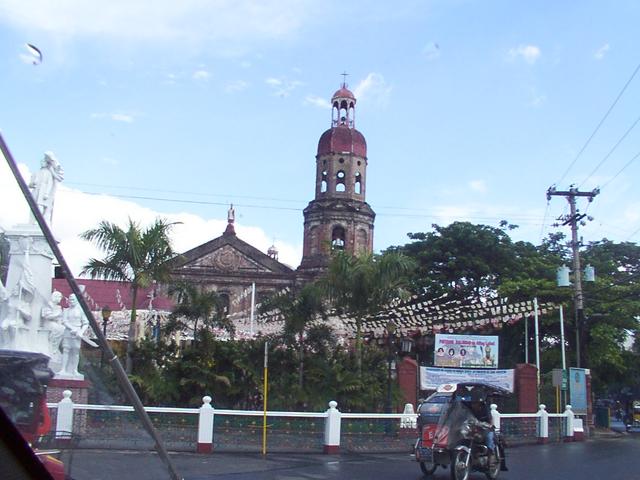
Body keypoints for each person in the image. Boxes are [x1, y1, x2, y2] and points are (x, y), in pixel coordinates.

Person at [28, 151, 64, 223]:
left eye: (44, 162)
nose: (42, 163)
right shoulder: (36, 172)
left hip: (43, 193)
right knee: (33, 207)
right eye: (41, 162)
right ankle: (32, 221)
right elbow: (30, 184)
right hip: (35, 192)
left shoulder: (49, 172)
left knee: (40, 206)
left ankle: (39, 221)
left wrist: (46, 194)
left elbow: (50, 183)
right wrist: (32, 184)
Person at [60, 294, 88, 377]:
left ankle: (74, 370)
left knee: (75, 352)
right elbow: (64, 321)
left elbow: (86, 323)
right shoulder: (66, 310)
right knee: (66, 350)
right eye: (70, 299)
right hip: (68, 333)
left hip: (77, 334)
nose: (71, 301)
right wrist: (72, 328)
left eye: (73, 299)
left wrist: (81, 331)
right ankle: (63, 369)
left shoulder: (81, 311)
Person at [41, 291, 65, 361]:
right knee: (56, 328)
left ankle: (55, 347)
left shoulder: (58, 307)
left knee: (62, 328)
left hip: (55, 323)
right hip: (47, 323)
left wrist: (59, 321)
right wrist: (56, 315)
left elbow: (60, 319)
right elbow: (46, 316)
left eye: (60, 297)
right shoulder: (48, 305)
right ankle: (51, 346)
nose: (60, 299)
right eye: (59, 297)